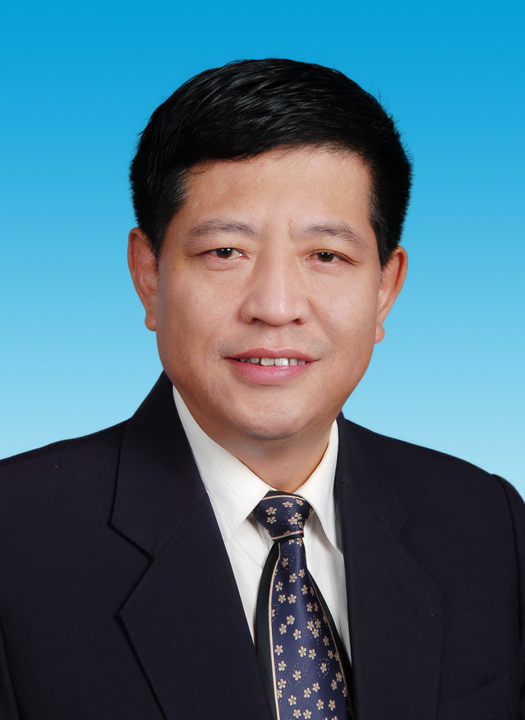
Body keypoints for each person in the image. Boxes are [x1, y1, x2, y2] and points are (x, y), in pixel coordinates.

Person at [0, 59, 523, 720]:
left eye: (326, 255)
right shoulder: (15, 540)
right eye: (225, 252)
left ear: (385, 288)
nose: (275, 307)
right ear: (149, 276)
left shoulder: (485, 522)